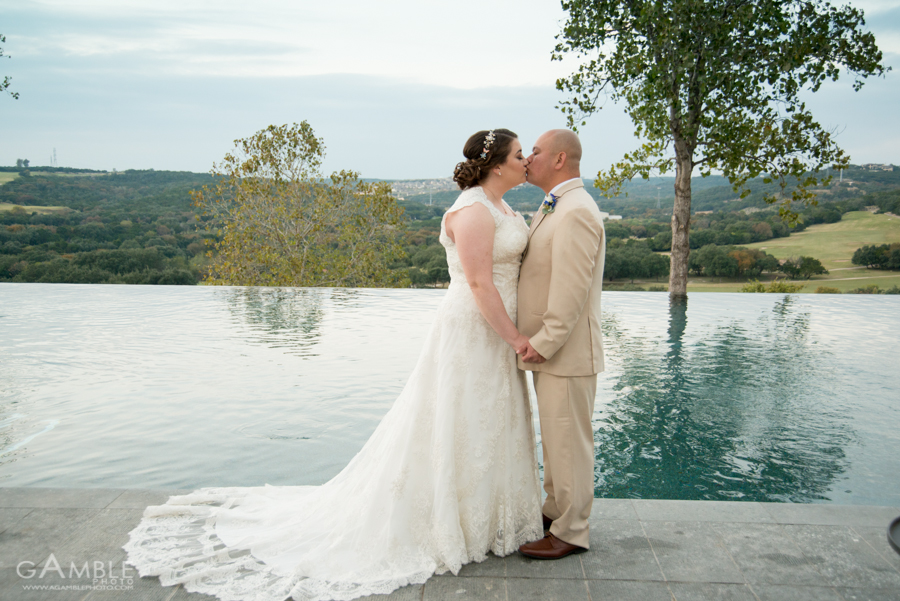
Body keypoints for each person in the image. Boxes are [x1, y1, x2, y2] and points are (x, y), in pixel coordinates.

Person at [123, 129, 543, 601]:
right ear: (497, 164)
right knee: (460, 418)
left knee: (487, 421)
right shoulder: (472, 210)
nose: (525, 159)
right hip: (475, 329)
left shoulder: (504, 206)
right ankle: (448, 520)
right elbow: (479, 284)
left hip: (497, 331)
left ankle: (486, 521)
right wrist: (514, 337)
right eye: (518, 153)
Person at [515, 129, 606, 560]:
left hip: (564, 352)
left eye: (535, 151)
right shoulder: (558, 205)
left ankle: (572, 531)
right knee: (555, 438)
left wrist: (545, 342)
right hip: (551, 351)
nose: (527, 157)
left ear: (559, 159)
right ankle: (555, 512)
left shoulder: (576, 211)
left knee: (569, 442)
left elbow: (571, 290)